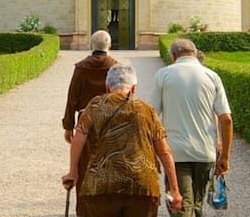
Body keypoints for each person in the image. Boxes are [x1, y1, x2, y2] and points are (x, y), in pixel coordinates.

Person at [62, 64, 183, 216]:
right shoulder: (147, 109)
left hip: (101, 185)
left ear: (107, 87)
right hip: (142, 186)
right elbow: (164, 151)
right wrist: (174, 189)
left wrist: (73, 172)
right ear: (134, 88)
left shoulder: (95, 105)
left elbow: (78, 138)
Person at [150, 39, 233, 217]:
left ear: (173, 56)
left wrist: (153, 151)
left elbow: (151, 117)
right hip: (205, 151)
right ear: (194, 53)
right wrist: (225, 156)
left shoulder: (163, 75)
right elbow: (226, 119)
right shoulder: (212, 76)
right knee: (195, 204)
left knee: (181, 206)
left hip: (175, 151)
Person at [63, 30, 119, 142]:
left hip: (85, 120)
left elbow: (72, 98)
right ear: (110, 46)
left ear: (91, 45)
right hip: (109, 121)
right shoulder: (116, 67)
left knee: (85, 152)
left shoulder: (81, 68)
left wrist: (68, 126)